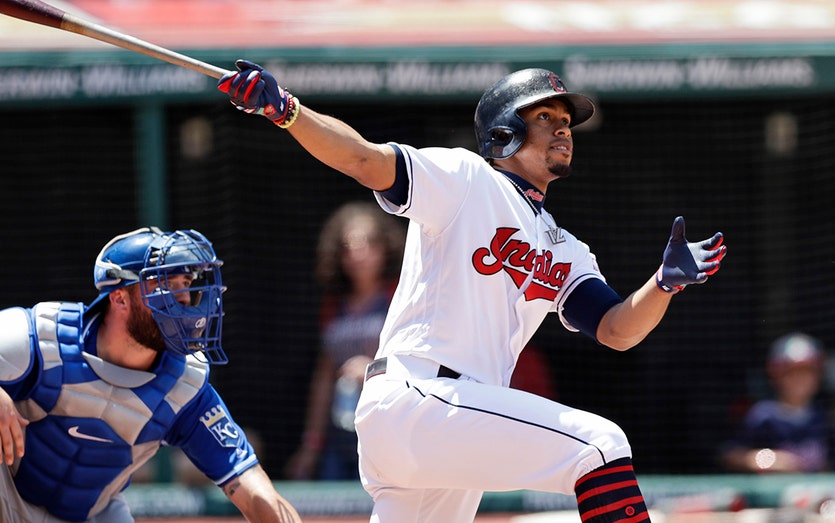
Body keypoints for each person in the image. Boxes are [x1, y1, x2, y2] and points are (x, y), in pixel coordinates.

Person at [219, 62, 726, 523]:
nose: (563, 126)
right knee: (600, 445)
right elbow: (364, 160)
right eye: (545, 115)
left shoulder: (566, 248)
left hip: (453, 422)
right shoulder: (466, 178)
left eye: (566, 119)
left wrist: (662, 286)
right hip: (421, 397)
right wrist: (288, 111)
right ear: (504, 132)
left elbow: (616, 329)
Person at [0, 227, 301, 522]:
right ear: (119, 298)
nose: (185, 300)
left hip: (91, 514)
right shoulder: (38, 339)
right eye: (169, 285)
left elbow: (252, 488)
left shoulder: (184, 387)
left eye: (187, 284)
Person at [286, 201, 405, 481]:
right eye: (347, 246)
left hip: (390, 430)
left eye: (366, 243)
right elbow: (324, 377)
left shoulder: (400, 296)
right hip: (340, 435)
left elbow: (419, 361)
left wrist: (371, 369)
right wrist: (311, 446)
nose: (357, 253)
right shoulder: (333, 305)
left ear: (384, 247)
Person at [720, 332, 830, 474]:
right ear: (776, 375)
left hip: (809, 492)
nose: (800, 380)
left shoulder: (821, 415)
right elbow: (730, 455)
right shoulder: (763, 415)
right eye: (792, 372)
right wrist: (770, 460)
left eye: (807, 372)